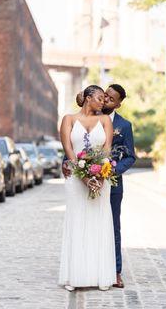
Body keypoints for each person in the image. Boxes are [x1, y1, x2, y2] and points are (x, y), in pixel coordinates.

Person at [63, 84, 136, 288]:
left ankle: (115, 271)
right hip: (81, 176)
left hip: (110, 181)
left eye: (111, 100)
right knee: (83, 223)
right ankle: (81, 270)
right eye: (104, 97)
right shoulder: (83, 117)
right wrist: (68, 164)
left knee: (111, 226)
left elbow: (130, 156)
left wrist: (107, 172)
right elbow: (73, 145)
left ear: (118, 104)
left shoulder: (124, 125)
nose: (105, 101)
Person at [59, 85, 117, 291]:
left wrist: (100, 176)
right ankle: (74, 277)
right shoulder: (69, 119)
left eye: (104, 99)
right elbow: (68, 149)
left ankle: (101, 276)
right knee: (77, 222)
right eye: (100, 98)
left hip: (101, 178)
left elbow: (107, 149)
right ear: (87, 98)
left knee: (98, 222)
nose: (104, 102)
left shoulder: (105, 120)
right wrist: (83, 176)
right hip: (76, 179)